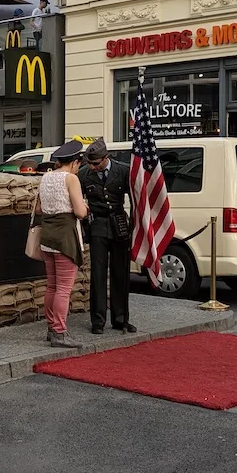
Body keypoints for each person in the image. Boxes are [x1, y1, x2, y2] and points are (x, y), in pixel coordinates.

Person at [78, 138, 136, 335]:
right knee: (98, 274)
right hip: (98, 225)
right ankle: (98, 320)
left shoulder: (123, 170)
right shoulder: (84, 174)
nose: (92, 167)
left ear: (105, 158)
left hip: (118, 223)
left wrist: (133, 225)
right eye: (90, 163)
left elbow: (136, 198)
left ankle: (120, 319)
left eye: (95, 163)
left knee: (121, 272)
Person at [36, 139, 89, 348]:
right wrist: (85, 207)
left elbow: (40, 208)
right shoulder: (71, 179)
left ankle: (51, 328)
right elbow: (79, 212)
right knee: (64, 289)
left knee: (52, 286)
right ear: (75, 162)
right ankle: (59, 332)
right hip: (66, 236)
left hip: (48, 236)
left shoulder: (46, 177)